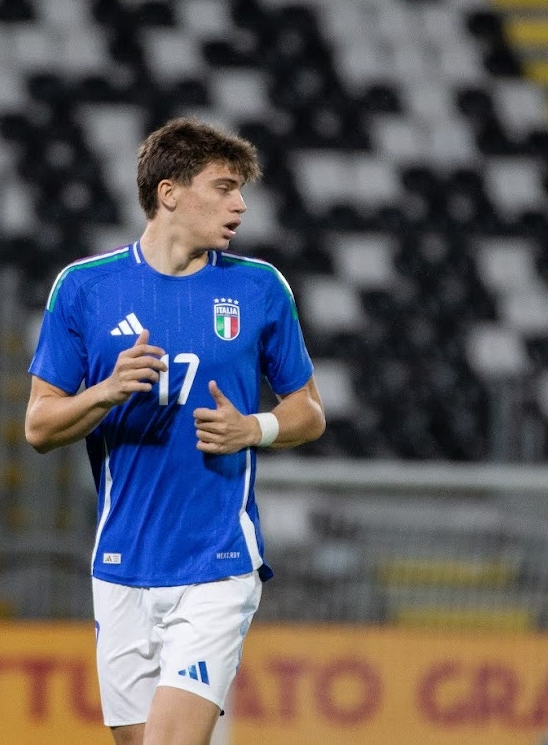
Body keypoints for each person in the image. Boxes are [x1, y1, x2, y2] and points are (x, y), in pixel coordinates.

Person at [25, 117, 325, 745]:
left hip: (216, 561)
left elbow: (309, 409)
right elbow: (39, 426)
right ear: (169, 193)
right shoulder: (84, 288)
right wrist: (107, 390)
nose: (240, 203)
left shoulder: (258, 287)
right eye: (222, 187)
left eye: (241, 190)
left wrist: (257, 427)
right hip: (120, 565)